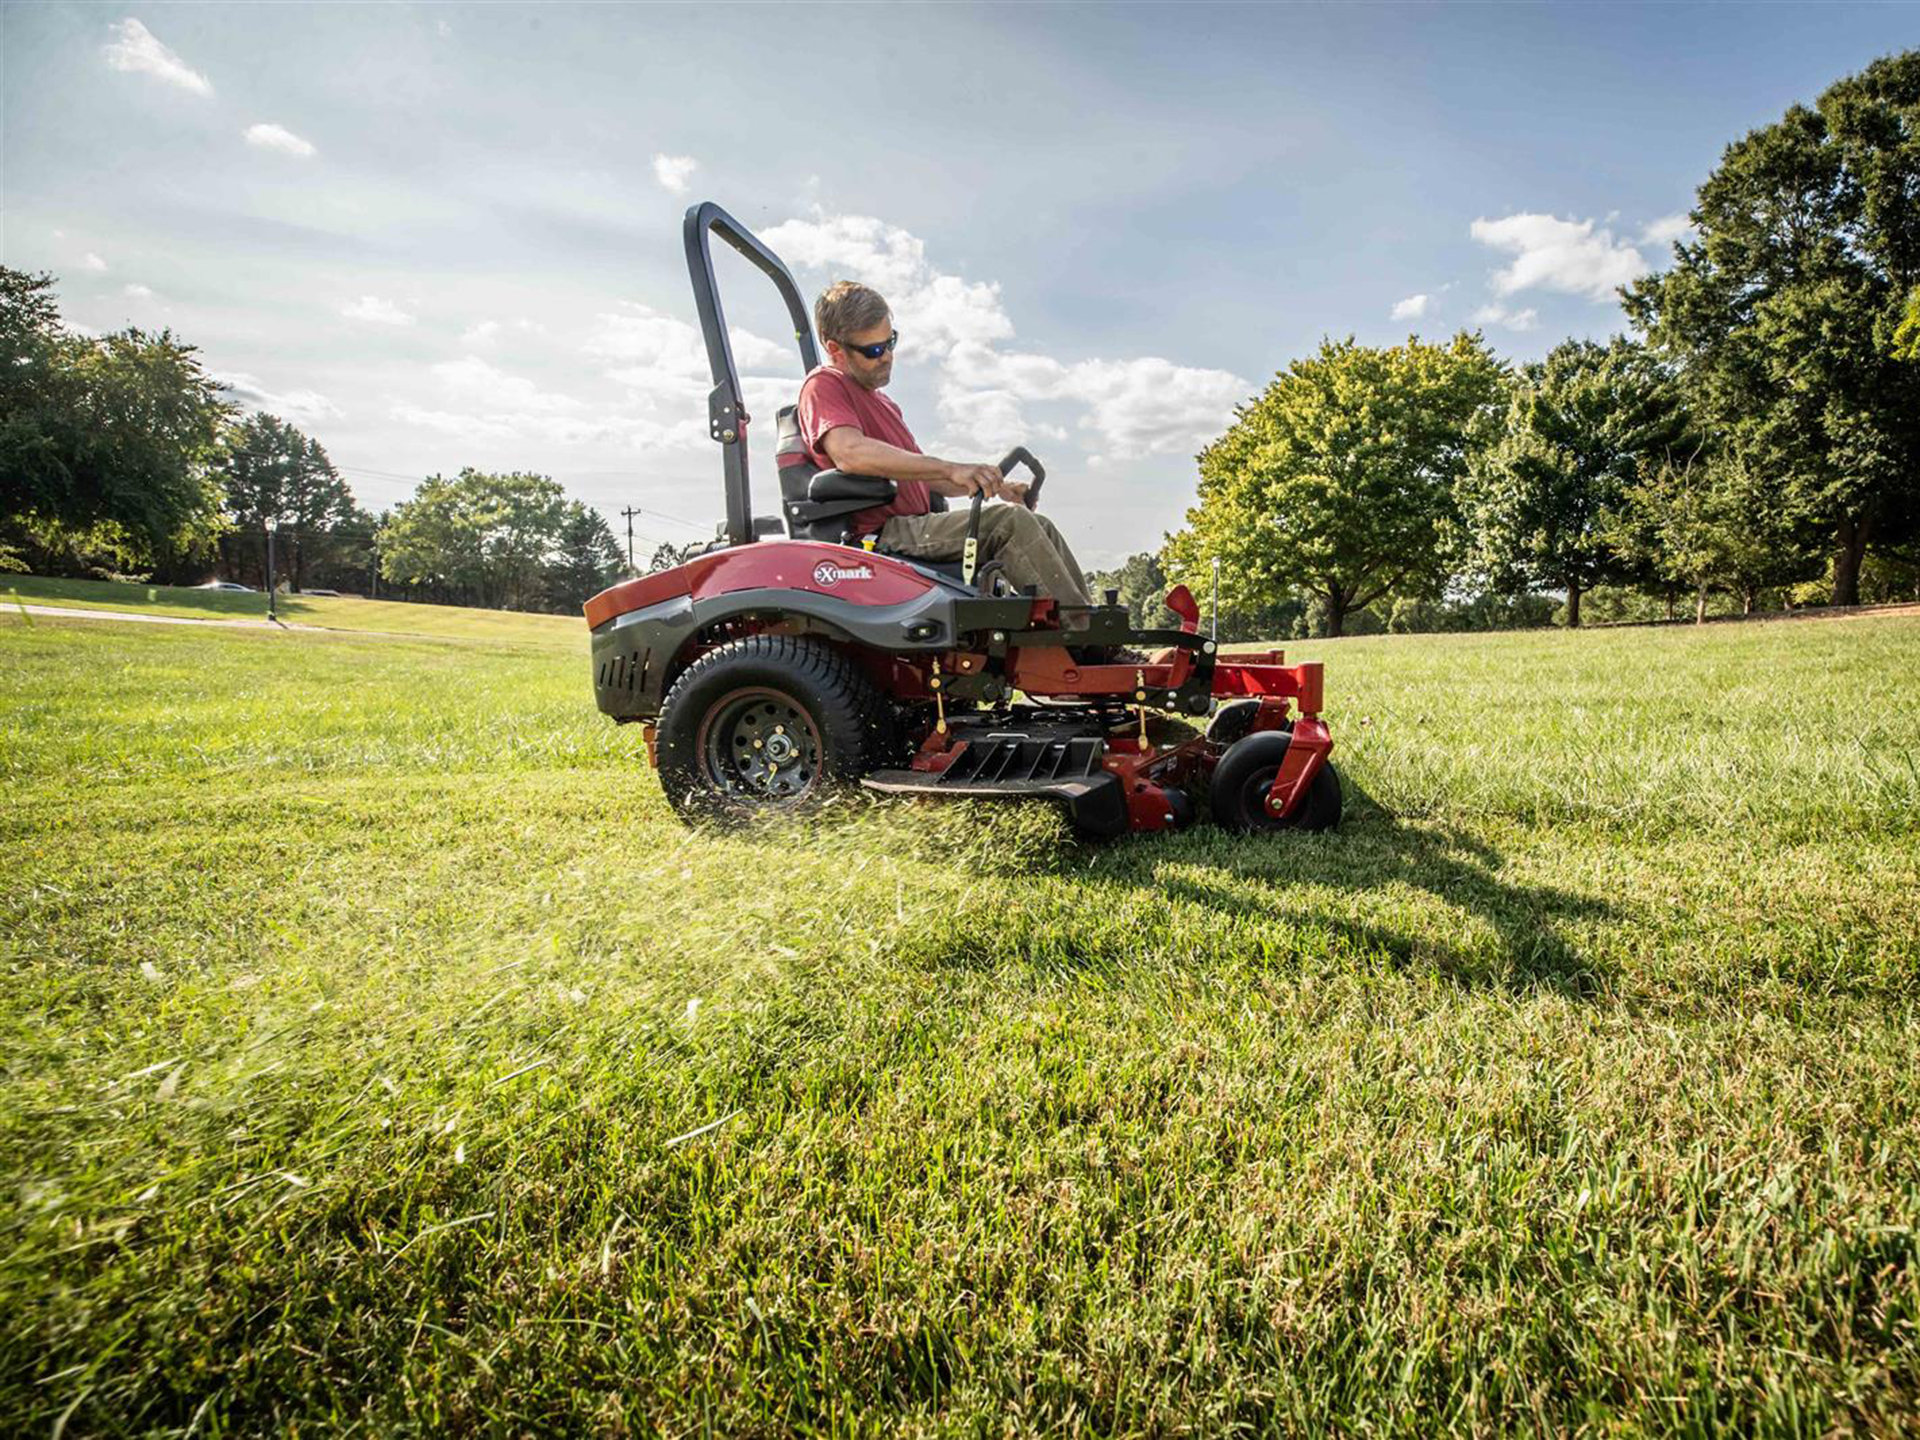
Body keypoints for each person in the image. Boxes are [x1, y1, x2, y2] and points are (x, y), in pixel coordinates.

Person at [793, 280, 1094, 606]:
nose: (888, 356)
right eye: (874, 351)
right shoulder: (824, 385)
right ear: (836, 349)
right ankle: (1079, 639)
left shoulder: (885, 405)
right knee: (1010, 524)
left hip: (916, 527)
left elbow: (929, 479)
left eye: (891, 341)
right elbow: (849, 453)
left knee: (1038, 524)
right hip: (882, 535)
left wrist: (997, 486)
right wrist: (951, 468)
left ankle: (1097, 633)